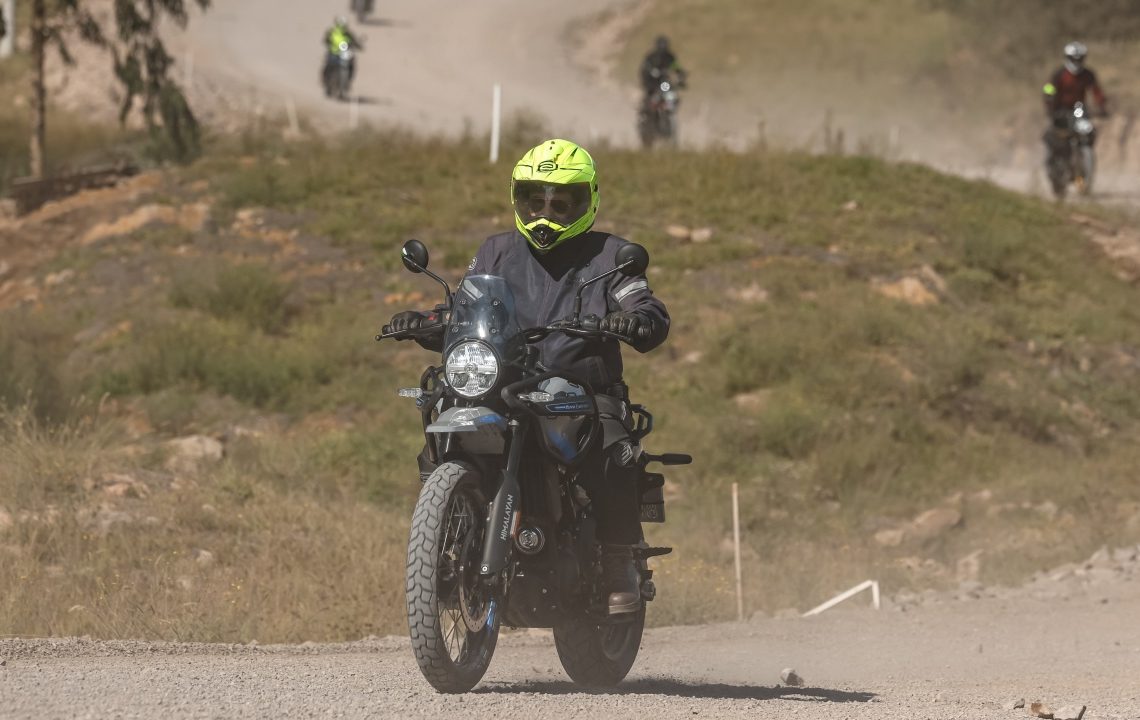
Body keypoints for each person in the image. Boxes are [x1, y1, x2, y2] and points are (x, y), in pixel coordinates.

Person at [385, 139, 671, 616]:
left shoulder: (611, 257)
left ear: (587, 201)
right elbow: (466, 307)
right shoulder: (496, 251)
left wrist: (635, 321)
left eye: (560, 205)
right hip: (504, 383)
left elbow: (645, 306)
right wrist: (427, 321)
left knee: (612, 448)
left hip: (581, 392)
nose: (545, 214)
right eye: (534, 201)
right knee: (440, 406)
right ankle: (448, 534)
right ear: (517, 198)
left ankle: (619, 559)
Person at [1042, 41, 1110, 156]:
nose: (1076, 62)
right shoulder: (1059, 75)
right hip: (1061, 110)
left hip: (1079, 109)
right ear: (1067, 58)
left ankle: (1083, 155)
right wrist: (1050, 105)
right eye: (1073, 59)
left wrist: (1101, 106)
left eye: (1079, 59)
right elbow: (1048, 90)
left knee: (1090, 132)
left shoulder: (1088, 74)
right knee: (1057, 135)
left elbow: (1096, 91)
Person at [640, 35, 687, 101]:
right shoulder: (652, 56)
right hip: (652, 80)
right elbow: (645, 66)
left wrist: (680, 73)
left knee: (672, 93)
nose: (663, 47)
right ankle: (647, 102)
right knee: (650, 93)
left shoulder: (670, 56)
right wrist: (651, 71)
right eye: (661, 45)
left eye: (664, 45)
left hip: (664, 79)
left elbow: (675, 66)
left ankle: (669, 103)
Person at [322, 16, 362, 92]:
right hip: (333, 53)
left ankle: (347, 82)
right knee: (329, 66)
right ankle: (326, 81)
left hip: (344, 54)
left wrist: (358, 46)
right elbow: (326, 40)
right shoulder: (332, 32)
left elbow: (354, 42)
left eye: (343, 26)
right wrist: (330, 44)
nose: (342, 27)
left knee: (351, 66)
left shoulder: (348, 34)